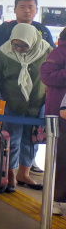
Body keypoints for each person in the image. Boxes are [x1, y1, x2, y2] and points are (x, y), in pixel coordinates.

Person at [0, 24, 52, 193]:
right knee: (12, 141)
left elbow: (52, 74)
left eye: (25, 46)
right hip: (11, 104)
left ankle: (24, 174)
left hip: (37, 106)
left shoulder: (46, 51)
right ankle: (11, 175)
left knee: (31, 141)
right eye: (16, 45)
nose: (20, 49)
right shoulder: (5, 53)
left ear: (33, 41)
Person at [0, 0, 55, 64]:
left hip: (37, 73)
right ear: (14, 10)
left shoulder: (43, 30)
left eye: (31, 7)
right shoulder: (3, 29)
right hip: (9, 73)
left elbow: (52, 54)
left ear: (36, 10)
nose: (27, 11)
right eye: (22, 7)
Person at [41, 28, 66, 214]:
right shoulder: (59, 52)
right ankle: (59, 200)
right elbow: (47, 76)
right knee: (61, 157)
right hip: (60, 114)